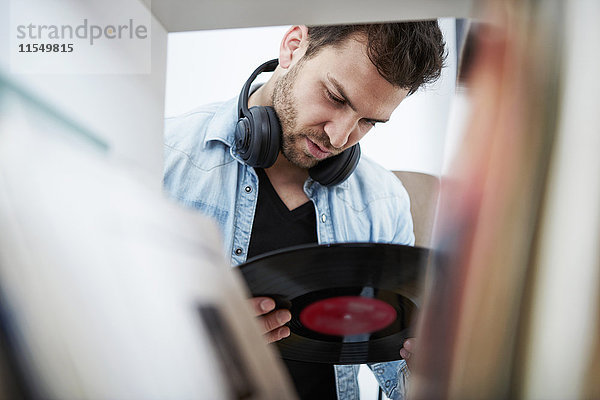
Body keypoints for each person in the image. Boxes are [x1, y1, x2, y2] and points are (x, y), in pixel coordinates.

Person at [163, 22, 445, 400]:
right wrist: (195, 342)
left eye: (368, 122)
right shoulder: (163, 157)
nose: (340, 137)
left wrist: (428, 369)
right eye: (335, 97)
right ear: (293, 46)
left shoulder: (384, 201)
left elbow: (396, 368)